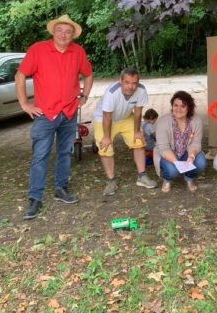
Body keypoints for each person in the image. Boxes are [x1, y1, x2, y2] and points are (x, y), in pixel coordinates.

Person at [16, 15, 94, 220]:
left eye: (68, 31)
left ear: (72, 35)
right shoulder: (38, 49)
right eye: (60, 30)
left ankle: (61, 189)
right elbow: (20, 75)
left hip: (68, 112)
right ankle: (35, 198)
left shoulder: (77, 51)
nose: (64, 34)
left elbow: (88, 73)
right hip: (45, 114)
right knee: (40, 156)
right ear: (53, 32)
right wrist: (25, 104)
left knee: (64, 153)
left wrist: (84, 96)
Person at [94, 67, 157, 196]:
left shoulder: (141, 90)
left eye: (134, 83)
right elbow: (107, 116)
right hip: (104, 119)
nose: (131, 87)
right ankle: (111, 180)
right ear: (120, 81)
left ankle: (142, 176)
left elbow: (138, 112)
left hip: (125, 117)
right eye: (127, 82)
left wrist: (137, 131)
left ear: (138, 82)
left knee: (139, 141)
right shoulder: (111, 93)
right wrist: (107, 137)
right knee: (105, 148)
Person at [153, 90, 207, 192]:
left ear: (189, 108)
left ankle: (189, 178)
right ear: (172, 106)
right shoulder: (163, 122)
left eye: (183, 106)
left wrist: (191, 156)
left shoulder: (197, 121)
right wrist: (177, 163)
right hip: (168, 154)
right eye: (175, 105)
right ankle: (167, 180)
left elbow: (196, 143)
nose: (178, 109)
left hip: (186, 153)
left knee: (201, 162)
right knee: (173, 171)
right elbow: (163, 148)